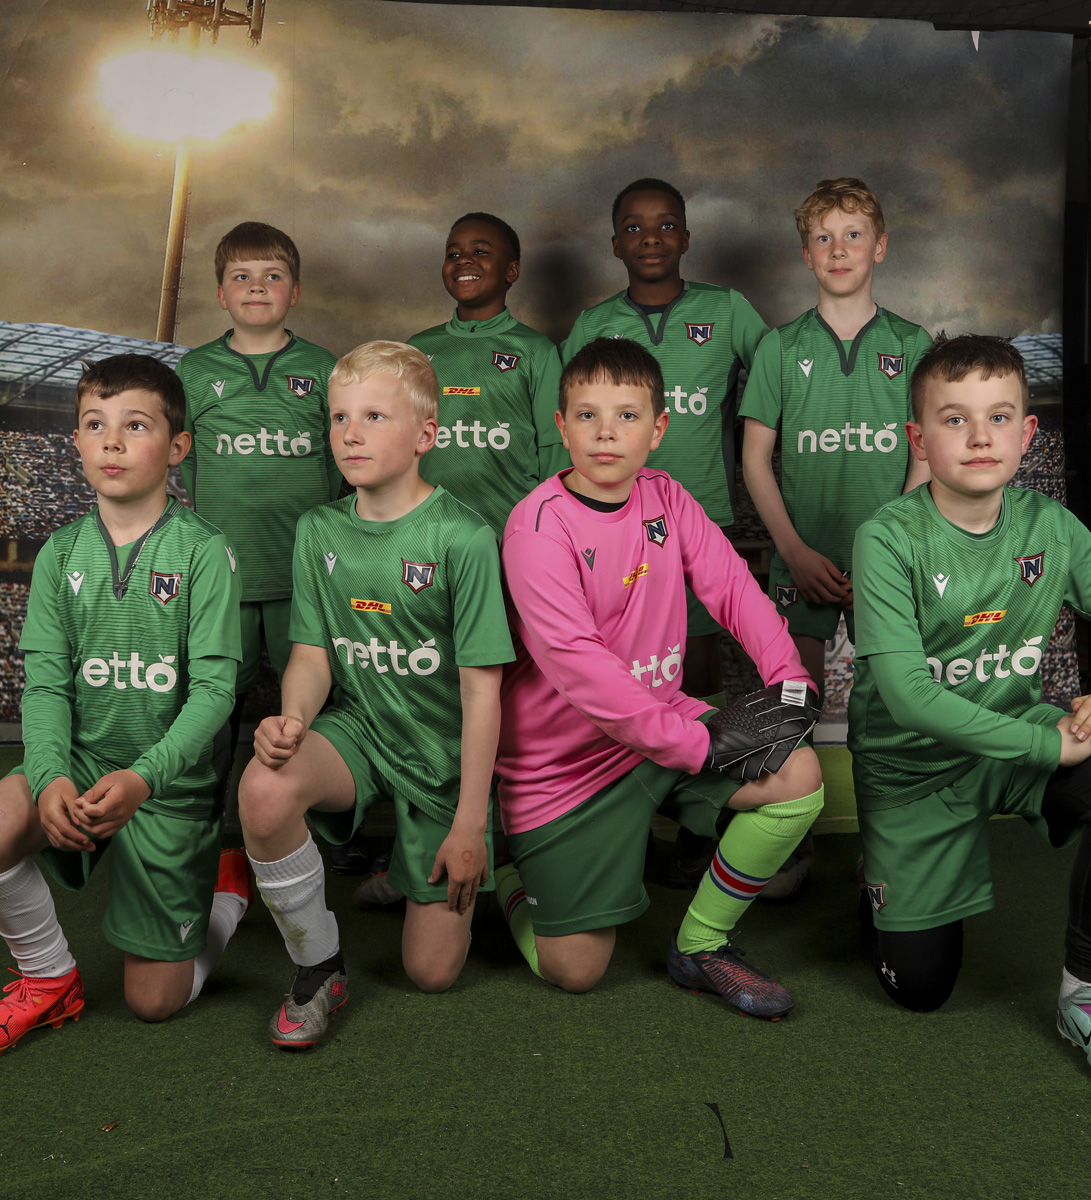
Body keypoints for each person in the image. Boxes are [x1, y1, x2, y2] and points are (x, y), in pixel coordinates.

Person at [494, 337, 823, 1019]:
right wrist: (701, 747)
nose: (605, 432)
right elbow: (583, 669)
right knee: (575, 971)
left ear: (658, 427)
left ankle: (700, 944)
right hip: (564, 767)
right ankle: (509, 875)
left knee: (799, 777)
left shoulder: (665, 497)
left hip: (662, 728)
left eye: (627, 415)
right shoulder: (536, 528)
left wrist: (790, 678)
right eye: (586, 415)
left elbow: (732, 587)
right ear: (561, 427)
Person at [238, 341, 514, 1050]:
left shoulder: (463, 537)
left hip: (440, 760)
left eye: (373, 416)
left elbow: (483, 693)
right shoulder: (318, 529)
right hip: (359, 733)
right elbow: (311, 655)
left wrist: (469, 825)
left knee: (430, 974)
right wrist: (292, 719)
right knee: (264, 788)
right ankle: (318, 967)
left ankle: (476, 862)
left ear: (426, 435)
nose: (350, 434)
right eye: (339, 417)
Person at [849, 333, 1091, 1062]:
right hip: (913, 770)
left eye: (998, 417)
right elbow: (910, 698)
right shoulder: (887, 539)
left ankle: (1082, 990)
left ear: (1026, 433)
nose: (980, 437)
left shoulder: (1051, 526)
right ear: (918, 439)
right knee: (921, 987)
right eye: (954, 419)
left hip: (1012, 735)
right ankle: (875, 884)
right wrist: (1048, 743)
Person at [0, 354, 247, 1052]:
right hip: (82, 762)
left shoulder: (204, 552)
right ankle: (49, 977)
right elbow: (46, 686)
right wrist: (50, 775)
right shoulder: (59, 553)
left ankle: (227, 896)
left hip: (167, 783)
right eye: (95, 424)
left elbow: (215, 693)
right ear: (77, 442)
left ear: (177, 447)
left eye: (134, 426)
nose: (111, 441)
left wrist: (144, 778)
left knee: (154, 1004)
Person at [740, 177, 931, 897]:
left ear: (879, 247)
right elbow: (754, 459)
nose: (838, 249)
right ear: (805, 254)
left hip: (885, 563)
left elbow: (922, 453)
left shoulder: (911, 344)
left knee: (885, 709)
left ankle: (881, 848)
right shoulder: (780, 347)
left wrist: (884, 552)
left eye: (853, 235)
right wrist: (791, 551)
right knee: (794, 700)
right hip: (803, 558)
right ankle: (787, 846)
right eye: (823, 238)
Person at [560, 179, 769, 705]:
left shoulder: (727, 310)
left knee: (695, 660)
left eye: (666, 225)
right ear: (615, 244)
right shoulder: (594, 324)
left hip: (701, 515)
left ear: (686, 239)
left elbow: (777, 384)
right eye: (634, 228)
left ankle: (701, 750)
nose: (650, 237)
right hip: (612, 520)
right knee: (619, 653)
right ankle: (625, 749)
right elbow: (568, 423)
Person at [176, 221, 340, 747]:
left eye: (273, 276)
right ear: (221, 294)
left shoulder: (322, 367)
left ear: (295, 291)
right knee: (220, 689)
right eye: (241, 276)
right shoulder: (195, 370)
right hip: (227, 568)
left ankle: (314, 791)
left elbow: (336, 461)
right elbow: (188, 460)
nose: (257, 287)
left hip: (301, 566)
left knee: (312, 688)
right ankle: (209, 792)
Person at [407, 211, 568, 539]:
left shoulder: (536, 351)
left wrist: (546, 533)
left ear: (512, 271)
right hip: (426, 534)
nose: (464, 260)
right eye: (453, 254)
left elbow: (556, 452)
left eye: (480, 251)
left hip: (510, 534)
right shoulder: (417, 349)